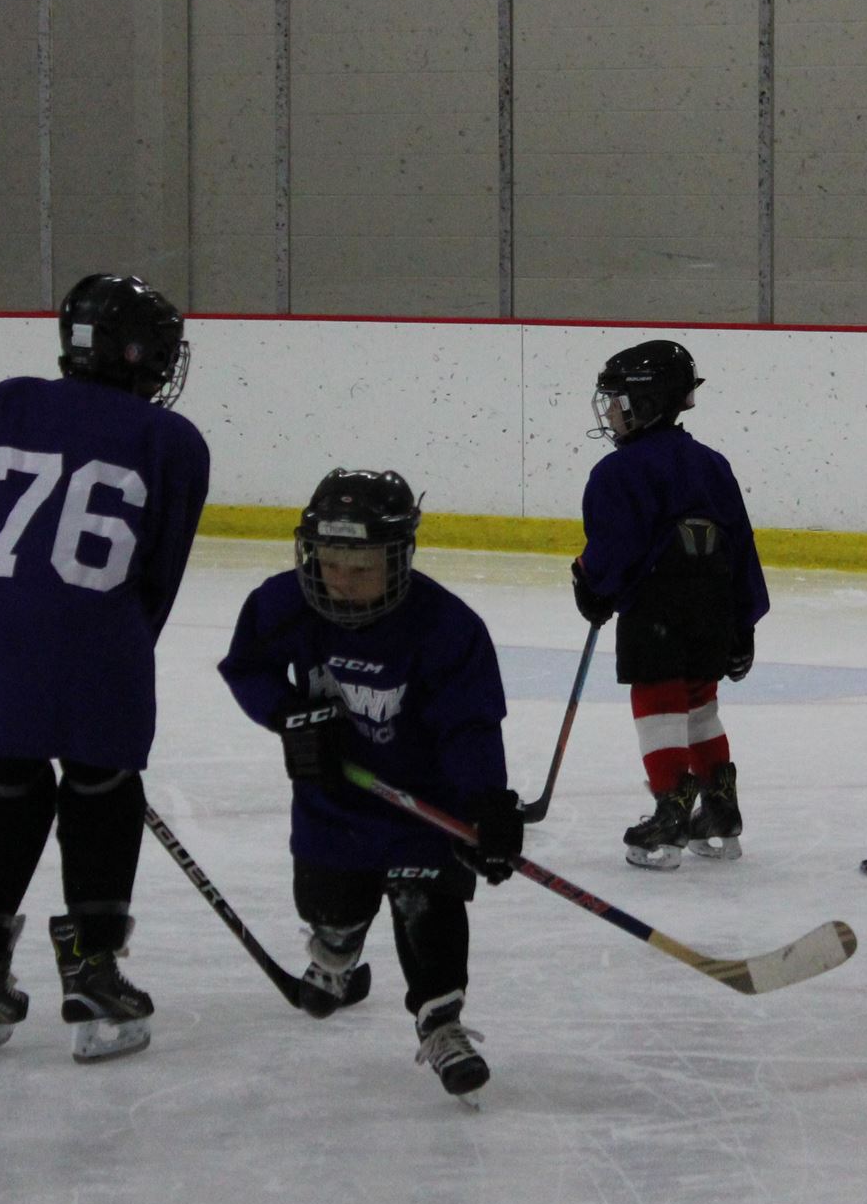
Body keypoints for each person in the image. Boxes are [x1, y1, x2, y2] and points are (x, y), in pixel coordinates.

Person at [0, 273, 209, 1062]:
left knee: (8, 783)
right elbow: (158, 574)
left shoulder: (8, 402)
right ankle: (93, 973)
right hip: (102, 646)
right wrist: (115, 642)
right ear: (136, 353)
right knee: (103, 789)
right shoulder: (174, 441)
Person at [218, 468, 521, 1097]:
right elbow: (248, 666)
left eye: (361, 567)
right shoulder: (284, 603)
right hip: (332, 806)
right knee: (330, 910)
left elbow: (468, 724)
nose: (341, 580)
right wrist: (288, 714)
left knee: (429, 912)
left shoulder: (445, 625)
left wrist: (485, 802)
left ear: (400, 556)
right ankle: (336, 954)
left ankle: (441, 1023)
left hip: (423, 812)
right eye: (329, 562)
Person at [570, 339, 770, 868]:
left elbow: (614, 545)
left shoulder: (618, 471)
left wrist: (590, 583)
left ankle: (671, 813)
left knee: (658, 699)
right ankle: (720, 808)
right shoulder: (713, 464)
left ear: (646, 401)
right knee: (700, 701)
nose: (609, 413)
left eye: (617, 401)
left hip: (657, 611)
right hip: (714, 611)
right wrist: (744, 624)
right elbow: (741, 543)